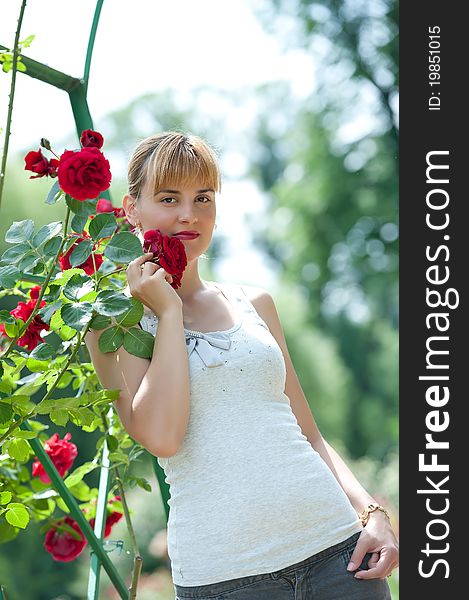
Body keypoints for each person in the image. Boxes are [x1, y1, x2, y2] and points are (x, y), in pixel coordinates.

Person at [85, 131, 399, 600]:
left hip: (338, 556)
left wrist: (373, 514)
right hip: (227, 579)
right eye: (169, 198)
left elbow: (308, 434)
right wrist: (168, 313)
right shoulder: (114, 325)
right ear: (131, 210)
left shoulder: (255, 303)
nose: (188, 214)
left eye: (203, 198)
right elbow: (161, 437)